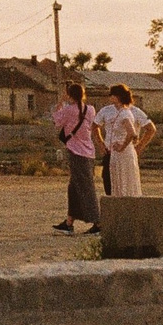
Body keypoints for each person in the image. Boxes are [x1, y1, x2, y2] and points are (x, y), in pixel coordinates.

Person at [49, 80, 100, 234]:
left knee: (85, 187)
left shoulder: (69, 110)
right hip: (88, 151)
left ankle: (98, 222)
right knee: (74, 187)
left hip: (76, 151)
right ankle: (69, 221)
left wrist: (61, 101)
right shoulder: (90, 109)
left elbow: (56, 121)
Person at [96, 84, 156, 198]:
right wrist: (100, 144)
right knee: (110, 181)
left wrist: (138, 146)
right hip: (110, 151)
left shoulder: (131, 112)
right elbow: (95, 126)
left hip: (123, 152)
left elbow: (148, 129)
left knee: (125, 182)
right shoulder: (107, 110)